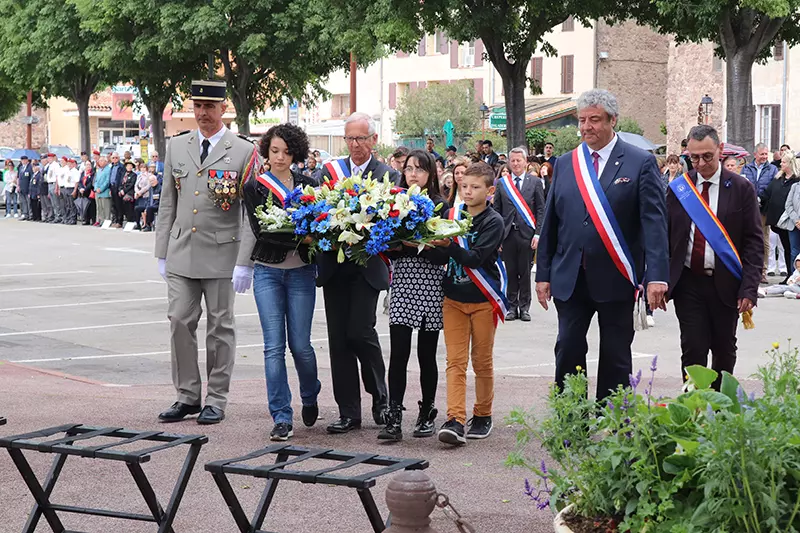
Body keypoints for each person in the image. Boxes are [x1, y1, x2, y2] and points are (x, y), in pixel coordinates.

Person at [535, 89, 669, 400]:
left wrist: (657, 275)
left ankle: (613, 424)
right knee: (567, 347)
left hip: (617, 276)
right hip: (570, 276)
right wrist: (543, 274)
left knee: (615, 354)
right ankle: (571, 421)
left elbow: (654, 224)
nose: (586, 127)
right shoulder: (567, 163)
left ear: (613, 121)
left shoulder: (640, 163)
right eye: (582, 121)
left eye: (594, 120)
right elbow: (551, 223)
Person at [154, 79, 260, 425]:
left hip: (222, 254)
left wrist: (245, 261)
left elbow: (249, 212)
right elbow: (168, 202)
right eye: (198, 107)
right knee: (179, 320)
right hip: (182, 250)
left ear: (224, 108)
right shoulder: (178, 146)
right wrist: (161, 250)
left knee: (220, 327)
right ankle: (187, 395)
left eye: (210, 107)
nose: (203, 113)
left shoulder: (243, 151)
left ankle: (216, 398)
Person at [239, 123, 321, 441]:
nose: (280, 157)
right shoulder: (255, 187)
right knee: (273, 347)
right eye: (274, 151)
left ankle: (310, 393)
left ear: (296, 153)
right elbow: (263, 232)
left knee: (301, 346)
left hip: (301, 271)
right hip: (267, 271)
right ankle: (282, 415)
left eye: (287, 152)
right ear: (266, 152)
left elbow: (320, 225)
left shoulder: (309, 184)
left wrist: (312, 233)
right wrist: (304, 234)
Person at [316, 112, 395, 434]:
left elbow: (391, 221)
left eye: (361, 138)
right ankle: (348, 412)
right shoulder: (329, 172)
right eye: (350, 138)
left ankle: (381, 398)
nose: (355, 144)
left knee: (360, 332)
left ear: (373, 140)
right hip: (335, 266)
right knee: (338, 340)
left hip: (367, 267)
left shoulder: (387, 175)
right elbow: (317, 210)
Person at [666, 125, 762, 389]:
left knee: (724, 350)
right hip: (688, 282)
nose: (700, 163)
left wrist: (749, 288)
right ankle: (692, 411)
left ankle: (720, 412)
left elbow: (754, 242)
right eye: (694, 158)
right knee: (693, 349)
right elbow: (666, 237)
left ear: (720, 151)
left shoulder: (741, 188)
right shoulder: (679, 190)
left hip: (726, 283)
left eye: (707, 156)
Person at [422, 162, 505, 445]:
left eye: (475, 187)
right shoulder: (451, 214)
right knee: (454, 362)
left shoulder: (494, 222)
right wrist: (427, 243)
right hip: (453, 299)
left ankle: (483, 414)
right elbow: (441, 258)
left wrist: (449, 246)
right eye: (465, 186)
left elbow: (475, 258)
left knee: (482, 361)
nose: (468, 192)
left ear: (490, 190)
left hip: (483, 300)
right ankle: (455, 419)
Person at [379, 149, 447, 442]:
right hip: (404, 281)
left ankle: (427, 410)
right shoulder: (395, 202)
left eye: (420, 169)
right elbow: (386, 241)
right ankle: (394, 413)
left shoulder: (440, 205)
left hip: (431, 281)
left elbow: (443, 250)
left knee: (427, 353)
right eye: (408, 169)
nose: (413, 174)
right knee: (399, 352)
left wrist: (417, 244)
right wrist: (400, 244)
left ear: (431, 173)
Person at [493, 146, 545, 322]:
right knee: (511, 271)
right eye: (512, 160)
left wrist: (538, 234)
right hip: (507, 234)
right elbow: (497, 212)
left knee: (524, 271)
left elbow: (540, 209)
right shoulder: (502, 183)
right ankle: (511, 306)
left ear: (525, 162)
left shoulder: (535, 182)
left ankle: (524, 307)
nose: (515, 164)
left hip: (527, 234)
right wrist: (497, 237)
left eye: (518, 160)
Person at [761, 152, 800, 285]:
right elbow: (767, 193)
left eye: (783, 162)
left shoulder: (797, 180)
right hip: (780, 221)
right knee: (786, 248)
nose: (781, 164)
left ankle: (794, 275)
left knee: (793, 248)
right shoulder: (778, 178)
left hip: (793, 220)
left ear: (790, 163)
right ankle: (790, 274)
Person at [134, 162, 155, 229]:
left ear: (146, 168)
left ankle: (146, 224)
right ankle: (138, 224)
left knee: (145, 210)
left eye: (144, 168)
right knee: (138, 209)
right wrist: (137, 192)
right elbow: (136, 185)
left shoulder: (149, 175)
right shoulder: (139, 175)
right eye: (141, 168)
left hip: (146, 195)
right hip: (139, 196)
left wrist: (140, 192)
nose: (142, 169)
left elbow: (148, 186)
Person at [786, 169, 800, 263]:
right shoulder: (795, 186)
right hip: (794, 224)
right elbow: (788, 205)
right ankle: (795, 276)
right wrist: (796, 220)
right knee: (794, 252)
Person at [108, 152, 125, 228]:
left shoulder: (121, 167)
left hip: (117, 187)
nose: (115, 159)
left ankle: (119, 221)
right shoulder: (112, 166)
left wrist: (120, 188)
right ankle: (115, 220)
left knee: (119, 205)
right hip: (112, 187)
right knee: (114, 205)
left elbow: (121, 178)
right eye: (113, 158)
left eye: (116, 158)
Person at [75, 161, 95, 225]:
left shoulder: (92, 173)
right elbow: (80, 181)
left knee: (91, 207)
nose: (88, 166)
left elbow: (91, 182)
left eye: (89, 165)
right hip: (83, 192)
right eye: (86, 165)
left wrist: (85, 189)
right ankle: (86, 220)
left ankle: (93, 220)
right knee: (85, 206)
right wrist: (80, 188)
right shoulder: (83, 173)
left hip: (90, 191)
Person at [93, 157, 112, 225]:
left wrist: (101, 188)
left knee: (106, 208)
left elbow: (107, 181)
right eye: (99, 161)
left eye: (102, 161)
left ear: (106, 162)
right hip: (98, 192)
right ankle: (101, 220)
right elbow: (96, 181)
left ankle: (107, 221)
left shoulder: (108, 169)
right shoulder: (99, 170)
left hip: (105, 191)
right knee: (99, 207)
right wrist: (96, 188)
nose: (100, 162)